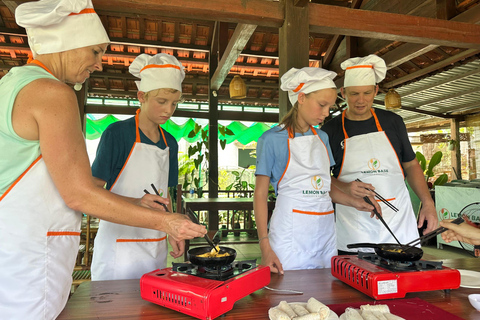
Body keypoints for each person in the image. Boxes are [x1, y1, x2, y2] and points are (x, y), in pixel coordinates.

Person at [0, 1, 205, 319]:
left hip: (17, 249)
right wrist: (167, 222)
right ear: (67, 42)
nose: (99, 64)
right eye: (95, 51)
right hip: (30, 258)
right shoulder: (52, 93)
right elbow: (80, 192)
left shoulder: (13, 84)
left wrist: (158, 219)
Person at [253, 67, 380, 274]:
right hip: (290, 234)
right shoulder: (271, 140)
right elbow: (259, 194)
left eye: (330, 106)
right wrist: (265, 245)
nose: (326, 113)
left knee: (324, 297)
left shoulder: (322, 138)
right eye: (322, 105)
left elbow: (323, 186)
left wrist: (356, 203)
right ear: (301, 98)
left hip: (324, 231)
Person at [321, 54, 438, 254]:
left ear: (376, 90)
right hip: (354, 223)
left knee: (403, 277)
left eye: (367, 92)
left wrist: (428, 203)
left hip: (398, 220)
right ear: (343, 92)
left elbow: (410, 164)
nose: (360, 100)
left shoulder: (393, 122)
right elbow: (321, 176)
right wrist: (345, 187)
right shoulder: (330, 129)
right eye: (354, 94)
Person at [91, 53, 185, 281]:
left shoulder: (170, 142)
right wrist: (136, 202)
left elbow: (166, 194)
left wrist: (172, 229)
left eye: (174, 103)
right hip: (118, 245)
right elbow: (92, 194)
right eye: (161, 102)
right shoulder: (116, 134)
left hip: (155, 243)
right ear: (141, 96)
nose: (169, 110)